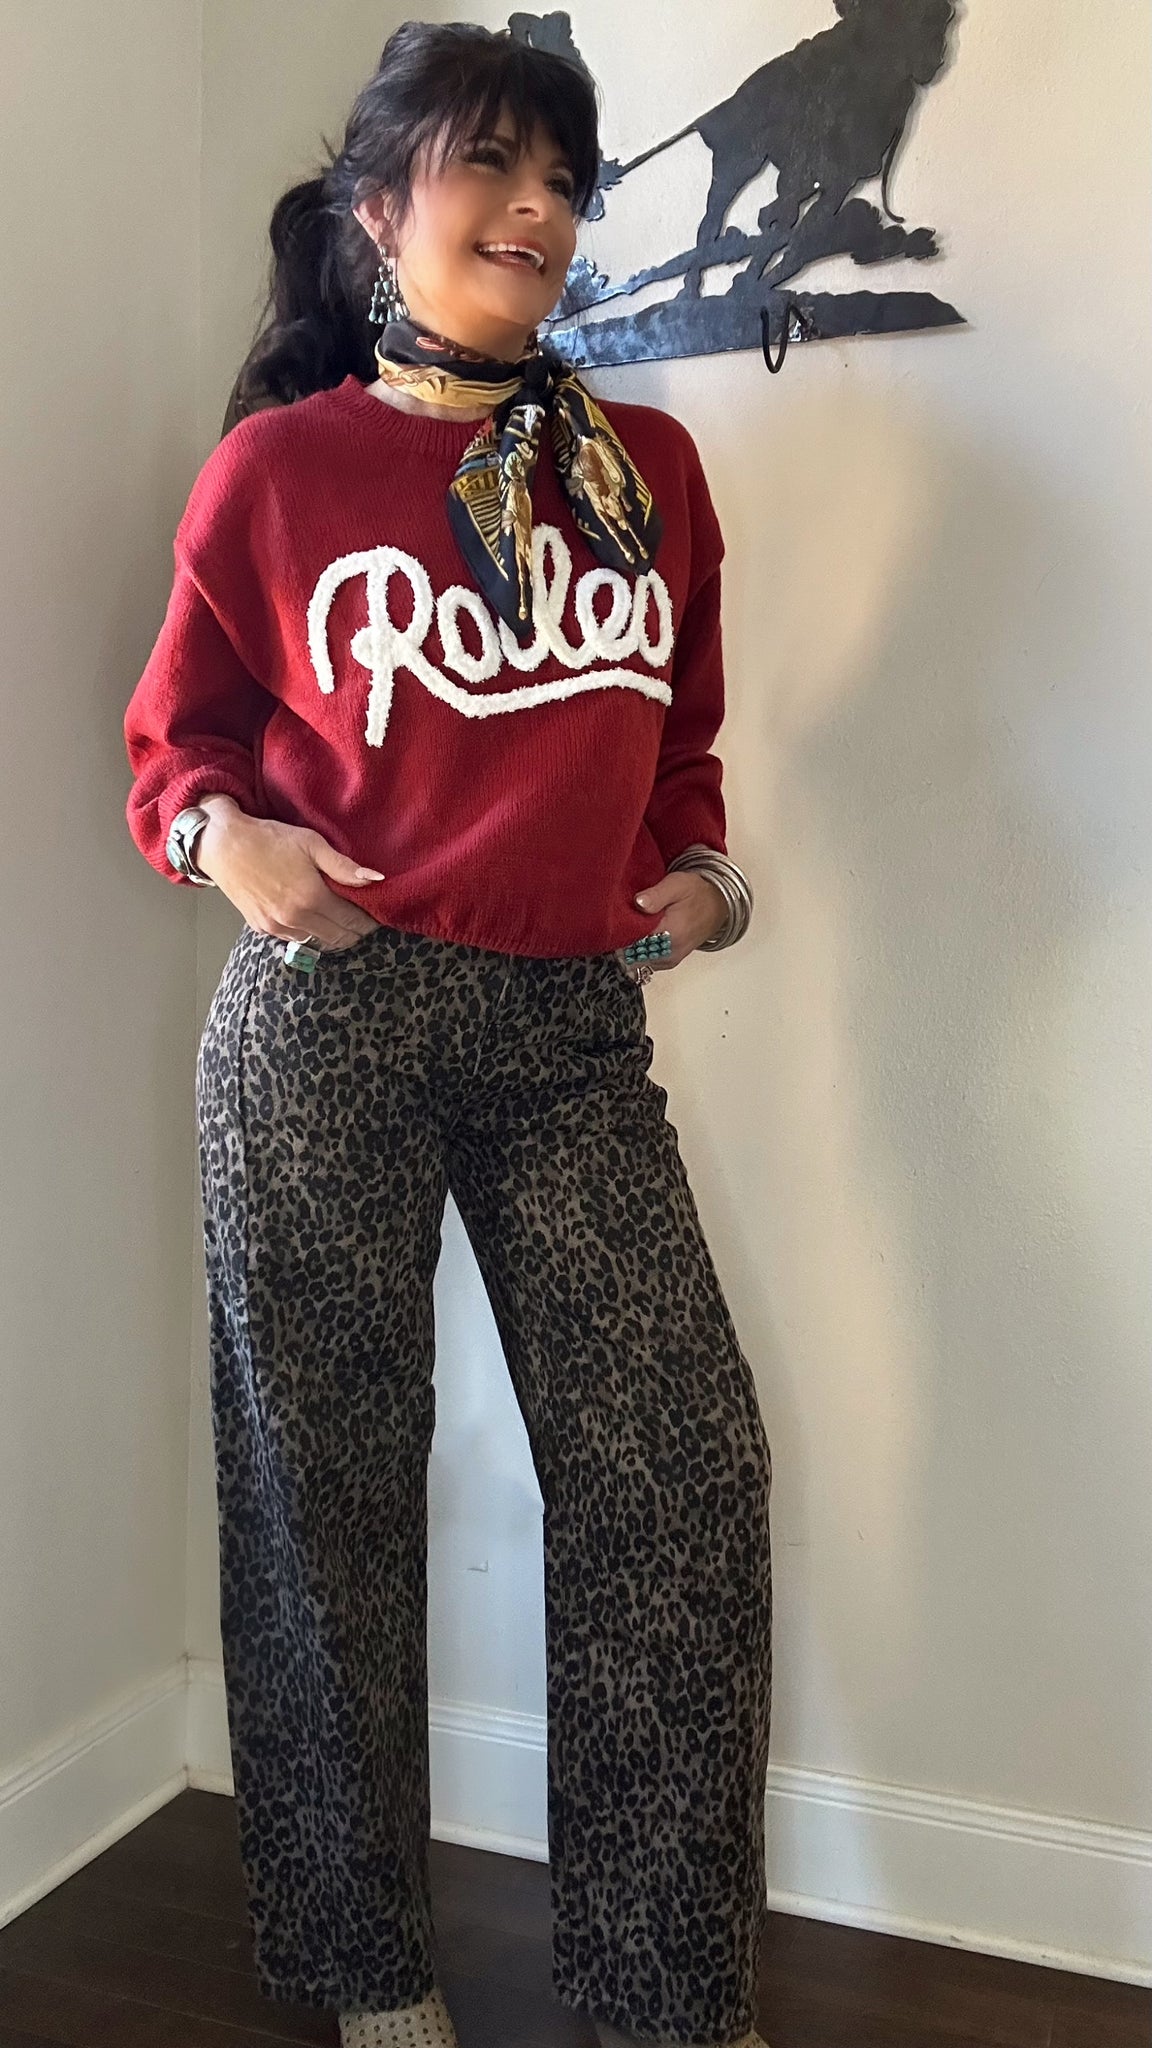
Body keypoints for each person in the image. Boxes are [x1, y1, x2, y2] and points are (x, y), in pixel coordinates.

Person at [122, 22, 772, 2048]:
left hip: (569, 1031)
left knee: (680, 1474)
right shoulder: (280, 471)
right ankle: (368, 1976)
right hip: (331, 1015)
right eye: (491, 164)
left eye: (564, 178)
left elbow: (682, 744)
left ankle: (667, 1994)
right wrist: (226, 842)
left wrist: (704, 878)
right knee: (319, 1496)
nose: (537, 210)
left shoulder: (645, 475)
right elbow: (174, 748)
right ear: (378, 209)